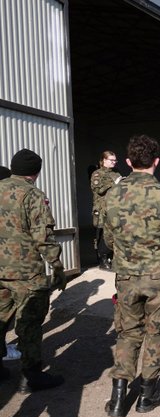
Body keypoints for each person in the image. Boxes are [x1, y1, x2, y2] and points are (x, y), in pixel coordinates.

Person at [103, 135, 160, 417]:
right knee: (156, 331)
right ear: (157, 161)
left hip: (126, 276)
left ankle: (117, 399)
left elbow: (108, 237)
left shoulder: (113, 194)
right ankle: (146, 396)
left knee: (127, 333)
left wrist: (126, 252)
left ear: (128, 162)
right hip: (158, 276)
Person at [0, 149, 67, 391]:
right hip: (26, 272)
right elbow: (43, 236)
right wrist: (57, 266)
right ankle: (31, 375)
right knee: (29, 322)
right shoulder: (33, 195)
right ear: (36, 172)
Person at [90, 151, 121, 270]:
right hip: (102, 208)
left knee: (114, 233)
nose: (114, 162)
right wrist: (115, 184)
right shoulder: (97, 174)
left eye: (115, 160)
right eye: (111, 160)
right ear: (103, 160)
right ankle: (102, 259)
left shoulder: (116, 174)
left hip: (115, 208)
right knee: (103, 234)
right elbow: (99, 190)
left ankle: (112, 257)